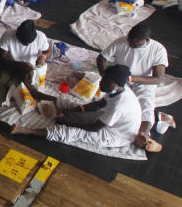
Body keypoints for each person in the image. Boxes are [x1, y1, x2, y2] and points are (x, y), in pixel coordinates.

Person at [12, 65, 150, 151]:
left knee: (73, 133)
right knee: (68, 104)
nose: (101, 82)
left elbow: (94, 128)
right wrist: (70, 110)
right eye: (103, 78)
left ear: (118, 84)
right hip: (109, 121)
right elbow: (98, 104)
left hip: (116, 135)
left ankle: (25, 130)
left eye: (106, 81)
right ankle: (36, 93)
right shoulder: (118, 91)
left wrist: (66, 122)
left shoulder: (120, 105)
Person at [97, 25, 169, 148]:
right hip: (120, 80)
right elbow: (101, 58)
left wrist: (130, 78)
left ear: (147, 40)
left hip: (143, 82)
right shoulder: (122, 41)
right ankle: (110, 123)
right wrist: (106, 75)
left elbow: (158, 79)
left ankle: (143, 135)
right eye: (129, 42)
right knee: (110, 102)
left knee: (146, 105)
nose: (130, 45)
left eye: (135, 44)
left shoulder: (158, 49)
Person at [0, 20, 53, 118]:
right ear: (17, 36)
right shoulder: (8, 35)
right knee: (0, 80)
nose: (27, 45)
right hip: (10, 64)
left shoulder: (40, 37)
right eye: (24, 42)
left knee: (12, 85)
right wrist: (17, 64)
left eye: (29, 42)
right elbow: (1, 59)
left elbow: (48, 51)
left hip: (27, 69)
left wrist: (43, 57)